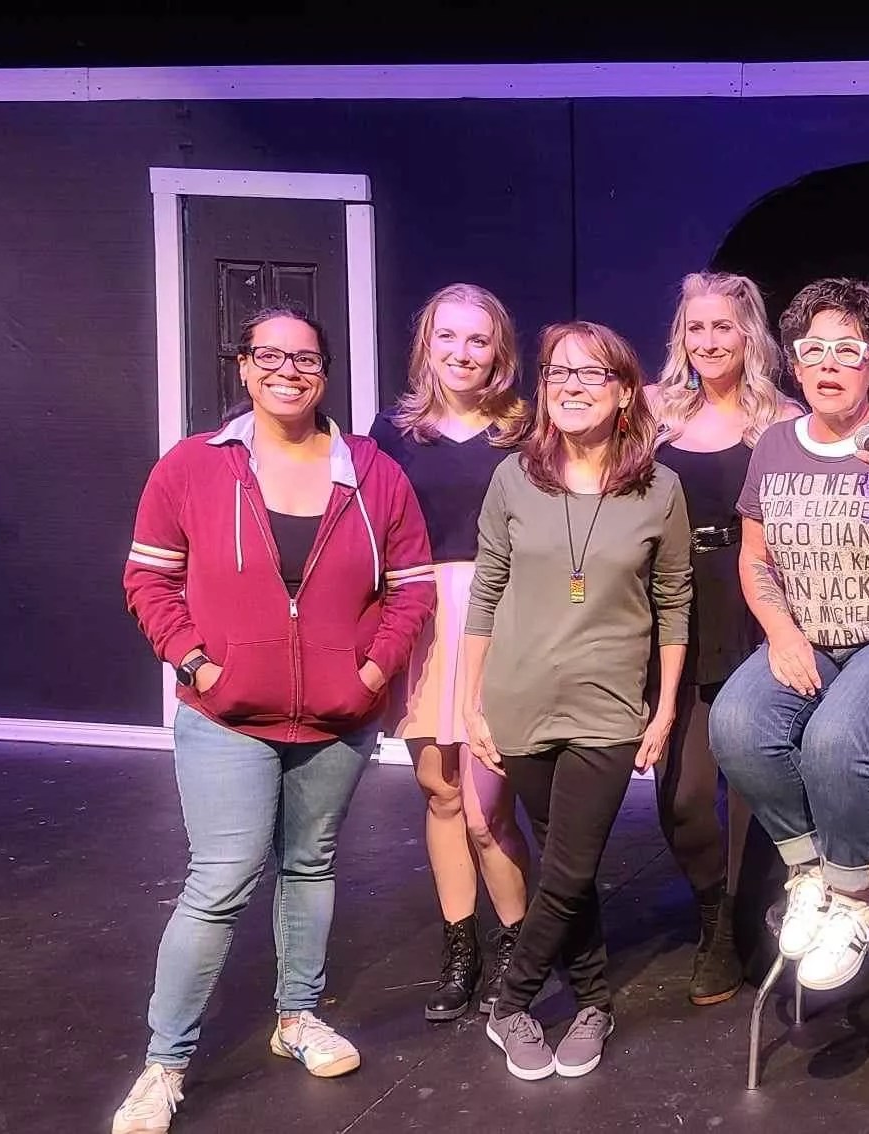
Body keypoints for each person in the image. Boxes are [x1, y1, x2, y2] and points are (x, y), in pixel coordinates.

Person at [114, 308, 436, 1134]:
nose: (288, 371)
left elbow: (412, 587)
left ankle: (296, 1018)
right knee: (221, 880)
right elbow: (149, 579)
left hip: (336, 718)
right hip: (225, 715)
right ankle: (165, 1063)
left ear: (325, 372)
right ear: (244, 366)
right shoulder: (193, 466)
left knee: (309, 865)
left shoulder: (372, 472)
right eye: (270, 355)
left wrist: (370, 673)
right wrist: (197, 663)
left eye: (306, 359)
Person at [709, 277, 869, 994]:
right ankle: (809, 874)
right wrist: (781, 633)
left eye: (847, 351)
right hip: (810, 636)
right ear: (795, 363)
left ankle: (857, 895)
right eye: (813, 349)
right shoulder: (774, 446)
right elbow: (755, 557)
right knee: (737, 725)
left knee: (835, 739)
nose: (828, 364)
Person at [465, 320, 691, 1081]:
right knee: (571, 863)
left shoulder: (659, 489)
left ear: (625, 392)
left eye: (591, 374)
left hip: (608, 706)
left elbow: (674, 602)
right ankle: (594, 999)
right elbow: (486, 589)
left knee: (567, 865)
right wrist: (469, 701)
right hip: (520, 697)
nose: (570, 386)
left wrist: (663, 708)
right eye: (558, 373)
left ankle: (509, 1003)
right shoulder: (513, 478)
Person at [370, 283, 534, 1022]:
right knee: (440, 792)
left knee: (484, 809)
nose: (462, 353)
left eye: (478, 339)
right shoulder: (392, 431)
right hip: (424, 616)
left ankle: (520, 947)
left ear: (499, 350)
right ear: (426, 346)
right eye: (447, 337)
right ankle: (461, 947)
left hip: (502, 615)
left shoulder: (524, 429)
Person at [645, 271, 800, 1005]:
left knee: (752, 786)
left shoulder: (782, 419)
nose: (708, 340)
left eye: (723, 327)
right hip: (677, 605)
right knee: (684, 794)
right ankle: (713, 908)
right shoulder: (653, 415)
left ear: (749, 336)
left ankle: (737, 926)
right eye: (695, 327)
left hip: (756, 598)